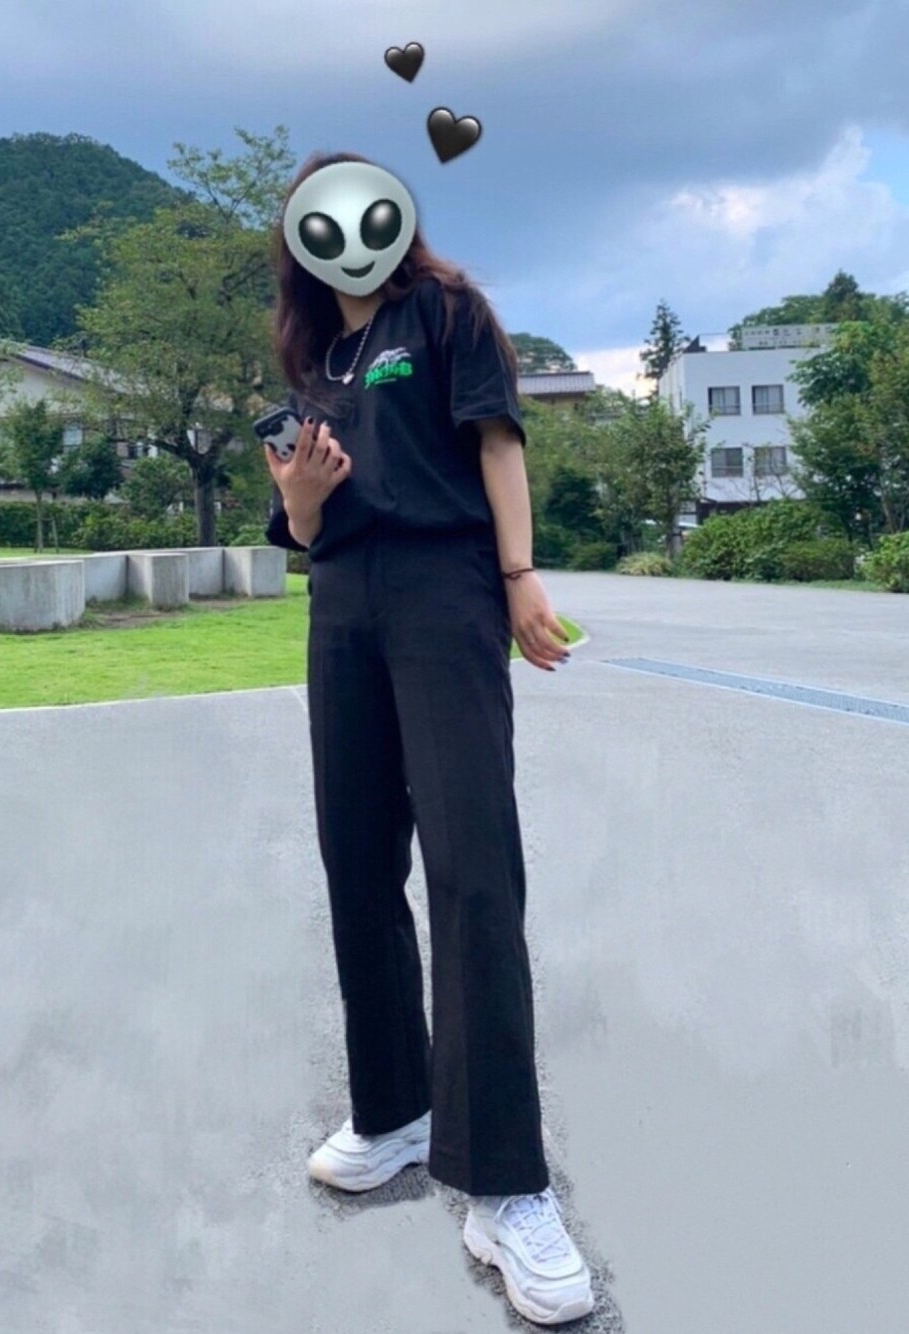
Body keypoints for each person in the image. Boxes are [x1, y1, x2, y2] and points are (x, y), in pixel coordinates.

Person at [262, 149, 594, 1326]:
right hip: (341, 605)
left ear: (394, 218)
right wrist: (303, 497)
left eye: (365, 212)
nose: (347, 234)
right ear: (301, 243)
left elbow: (497, 441)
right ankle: (395, 1109)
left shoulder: (445, 312)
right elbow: (301, 527)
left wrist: (518, 573)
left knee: (471, 871)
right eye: (321, 221)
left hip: (445, 591)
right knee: (356, 866)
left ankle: (505, 1184)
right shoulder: (313, 363)